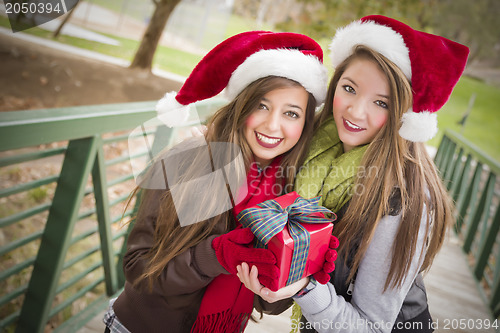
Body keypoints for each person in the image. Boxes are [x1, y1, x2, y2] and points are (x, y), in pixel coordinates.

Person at [237, 15, 469, 333]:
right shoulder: (319, 145)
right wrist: (217, 141)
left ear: (405, 115)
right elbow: (265, 143)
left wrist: (303, 288)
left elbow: (372, 327)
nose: (356, 112)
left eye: (381, 103)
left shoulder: (404, 199)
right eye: (349, 88)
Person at [103, 30, 334, 333]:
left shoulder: (291, 190)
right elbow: (138, 270)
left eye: (291, 113)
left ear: (305, 124)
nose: (273, 124)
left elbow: (269, 304)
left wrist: (297, 269)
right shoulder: (190, 159)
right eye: (262, 106)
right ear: (242, 104)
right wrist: (216, 256)